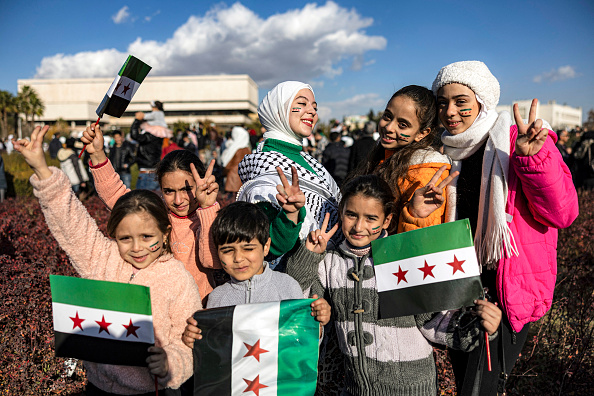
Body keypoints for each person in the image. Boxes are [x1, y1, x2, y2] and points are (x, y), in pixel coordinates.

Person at [14, 126, 202, 395]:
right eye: (125, 238)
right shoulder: (103, 256)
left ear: (165, 232)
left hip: (151, 390)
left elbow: (188, 341)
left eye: (147, 236)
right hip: (97, 386)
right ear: (114, 234)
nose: (137, 248)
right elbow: (72, 221)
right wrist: (43, 171)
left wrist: (171, 361)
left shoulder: (177, 277)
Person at [431, 60, 579, 395]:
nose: (450, 111)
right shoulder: (446, 152)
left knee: (482, 386)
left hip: (504, 293)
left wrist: (533, 160)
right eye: (442, 103)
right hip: (457, 288)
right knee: (466, 381)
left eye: (460, 102)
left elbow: (564, 212)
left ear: (482, 101)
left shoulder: (515, 142)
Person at [286, 174, 501, 395]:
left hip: (413, 390)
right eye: (351, 215)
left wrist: (479, 326)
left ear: (387, 220)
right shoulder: (330, 260)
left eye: (371, 218)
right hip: (355, 389)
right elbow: (296, 301)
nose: (359, 226)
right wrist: (308, 255)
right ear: (341, 213)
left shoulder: (400, 258)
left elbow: (435, 321)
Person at [81, 124, 221, 305]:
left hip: (200, 310)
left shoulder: (211, 214)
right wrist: (97, 155)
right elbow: (117, 196)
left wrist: (208, 208)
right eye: (169, 191)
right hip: (158, 308)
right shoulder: (157, 213)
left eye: (187, 189)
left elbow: (211, 261)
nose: (179, 200)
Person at [181, 201, 331, 343]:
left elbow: (300, 345)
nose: (238, 258)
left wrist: (315, 325)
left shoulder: (287, 286)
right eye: (227, 250)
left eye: (248, 249)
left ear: (266, 247)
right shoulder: (217, 299)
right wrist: (195, 340)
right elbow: (216, 350)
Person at [237, 81, 341, 263]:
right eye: (301, 104)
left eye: (314, 107)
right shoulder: (267, 165)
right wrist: (291, 214)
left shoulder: (309, 160)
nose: (312, 112)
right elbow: (269, 244)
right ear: (277, 112)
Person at [351, 85, 453, 233]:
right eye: (387, 116)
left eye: (403, 124)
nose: (389, 127)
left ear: (422, 133)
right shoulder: (383, 157)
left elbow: (423, 242)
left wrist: (415, 216)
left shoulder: (426, 173)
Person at [220, 126, 251, 198]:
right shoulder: (247, 149)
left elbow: (228, 164)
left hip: (232, 178)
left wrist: (223, 171)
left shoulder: (235, 148)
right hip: (244, 179)